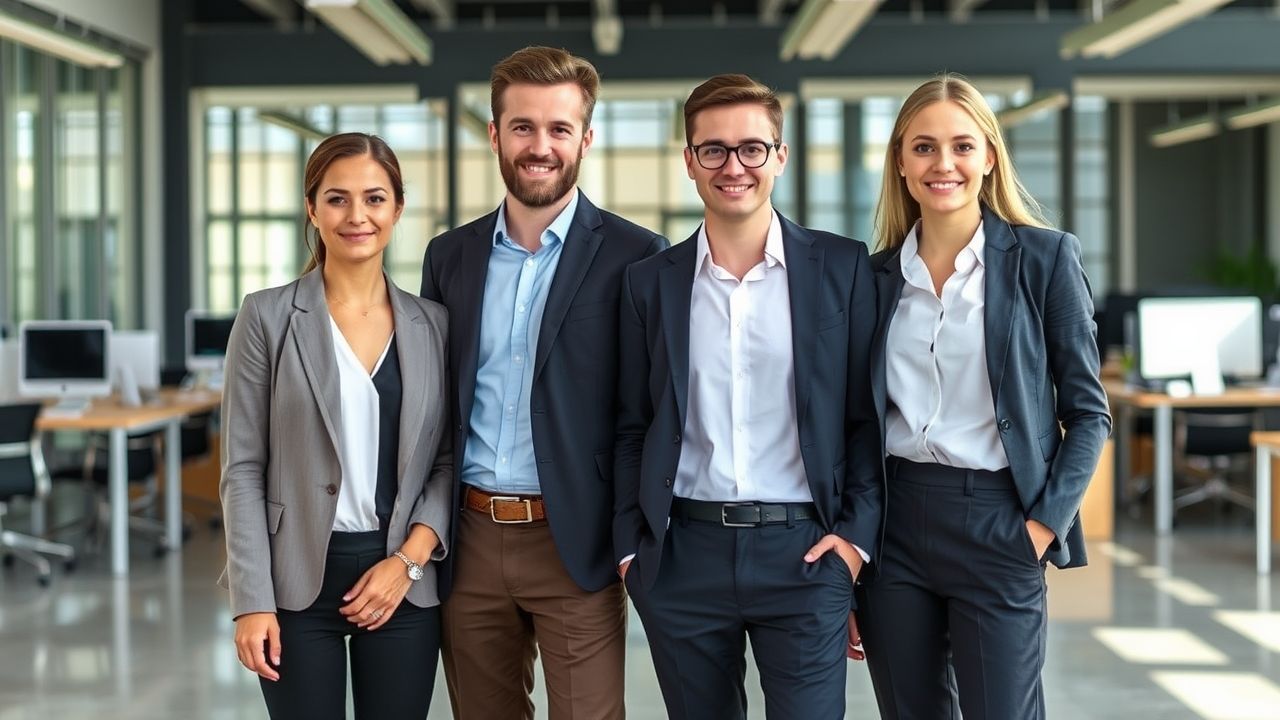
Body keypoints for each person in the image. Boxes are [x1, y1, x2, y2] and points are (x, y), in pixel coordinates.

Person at [613, 73, 882, 720]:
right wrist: (633, 552)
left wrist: (852, 544)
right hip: (683, 555)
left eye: (752, 149)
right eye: (714, 150)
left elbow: (866, 419)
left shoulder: (842, 268)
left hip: (806, 553)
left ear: (779, 157)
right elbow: (630, 424)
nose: (733, 166)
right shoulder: (649, 283)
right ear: (690, 161)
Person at [420, 46, 667, 720]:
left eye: (559, 129)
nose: (540, 146)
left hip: (576, 541)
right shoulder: (450, 257)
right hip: (467, 540)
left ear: (585, 139)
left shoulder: (635, 256)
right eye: (523, 127)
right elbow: (435, 407)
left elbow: (641, 414)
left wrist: (627, 538)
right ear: (495, 134)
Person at [856, 73, 1111, 720]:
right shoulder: (872, 278)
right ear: (901, 164)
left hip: (999, 519)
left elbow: (1087, 413)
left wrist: (1040, 528)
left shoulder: (1044, 259)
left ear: (990, 156)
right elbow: (851, 424)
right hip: (894, 526)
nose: (944, 164)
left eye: (963, 146)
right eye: (924, 148)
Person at [219, 132, 452, 720]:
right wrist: (251, 601)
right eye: (337, 199)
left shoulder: (434, 324)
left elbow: (448, 460)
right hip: (294, 579)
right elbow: (242, 469)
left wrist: (409, 560)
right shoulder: (266, 316)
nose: (357, 216)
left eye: (374, 199)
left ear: (397, 209)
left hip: (400, 576)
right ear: (312, 209)